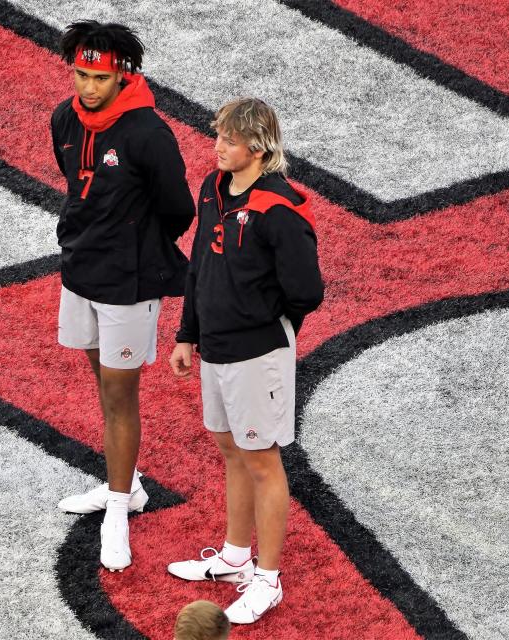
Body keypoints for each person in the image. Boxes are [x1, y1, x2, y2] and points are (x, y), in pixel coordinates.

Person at [167, 98, 323, 624]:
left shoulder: (279, 209)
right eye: (218, 137)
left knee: (262, 460)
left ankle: (269, 579)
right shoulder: (213, 189)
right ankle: (236, 557)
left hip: (258, 353)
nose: (218, 148)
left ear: (257, 147)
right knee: (231, 449)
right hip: (216, 346)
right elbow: (198, 269)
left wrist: (264, 322)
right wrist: (187, 334)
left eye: (228, 141)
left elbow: (307, 291)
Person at [51, 20, 195, 571]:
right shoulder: (64, 117)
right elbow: (75, 183)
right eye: (80, 74)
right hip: (80, 270)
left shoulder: (148, 133)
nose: (88, 87)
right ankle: (126, 485)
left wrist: (136, 248)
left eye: (98, 77)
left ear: (124, 76)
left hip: (129, 282)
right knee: (102, 382)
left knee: (119, 394)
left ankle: (118, 508)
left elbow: (178, 209)